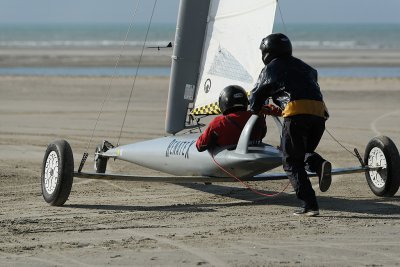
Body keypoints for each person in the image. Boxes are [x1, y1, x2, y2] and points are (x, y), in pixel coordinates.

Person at [249, 33, 332, 217]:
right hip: (319, 114)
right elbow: (302, 90)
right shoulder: (308, 68)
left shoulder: (270, 69)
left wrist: (258, 108)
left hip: (296, 116)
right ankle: (319, 163)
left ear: (267, 53)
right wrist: (281, 108)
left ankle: (309, 206)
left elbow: (254, 100)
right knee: (301, 154)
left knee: (291, 162)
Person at [196, 85, 267, 152]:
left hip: (228, 161)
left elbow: (200, 146)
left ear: (224, 102)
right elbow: (262, 134)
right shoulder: (258, 116)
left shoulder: (219, 122)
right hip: (255, 156)